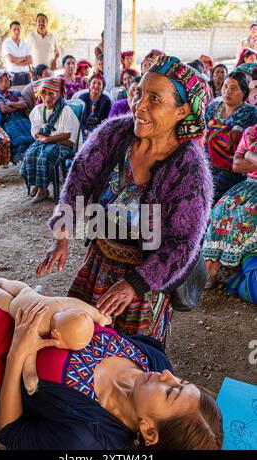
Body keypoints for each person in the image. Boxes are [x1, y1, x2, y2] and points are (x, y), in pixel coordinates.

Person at [37, 56, 213, 344]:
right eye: (139, 92)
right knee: (73, 340)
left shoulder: (189, 170)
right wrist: (63, 233)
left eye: (154, 98)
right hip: (98, 261)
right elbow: (79, 179)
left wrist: (133, 286)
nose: (139, 105)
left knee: (127, 364)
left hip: (142, 285)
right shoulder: (114, 134)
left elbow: (182, 245)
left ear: (182, 111)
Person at [0, 287, 224, 450]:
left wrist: (18, 352)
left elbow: (11, 432)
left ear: (149, 431)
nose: (168, 375)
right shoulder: (154, 362)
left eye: (170, 392)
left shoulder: (83, 439)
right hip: (9, 303)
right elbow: (101, 327)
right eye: (181, 382)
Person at [0, 277, 111, 394]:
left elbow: (83, 307)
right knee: (6, 302)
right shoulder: (38, 326)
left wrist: (99, 317)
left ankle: (2, 282)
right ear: (55, 334)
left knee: (20, 287)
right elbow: (29, 352)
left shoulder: (64, 304)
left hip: (28, 292)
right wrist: (30, 376)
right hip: (16, 306)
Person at [203, 124, 257, 292]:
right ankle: (210, 270)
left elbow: (242, 160)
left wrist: (248, 154)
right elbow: (236, 165)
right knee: (221, 208)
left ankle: (235, 272)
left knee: (247, 214)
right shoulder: (251, 132)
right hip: (249, 185)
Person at [20, 77, 81, 203]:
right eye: (44, 94)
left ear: (57, 94)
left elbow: (67, 135)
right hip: (48, 141)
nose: (47, 97)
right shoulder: (38, 110)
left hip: (66, 143)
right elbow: (35, 131)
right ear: (40, 96)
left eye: (51, 93)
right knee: (30, 154)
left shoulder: (65, 110)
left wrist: (48, 139)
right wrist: (40, 137)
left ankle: (43, 189)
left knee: (45, 155)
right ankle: (37, 184)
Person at [205, 71, 257, 204]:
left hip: (229, 170)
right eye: (225, 86)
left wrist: (215, 134)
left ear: (244, 92)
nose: (227, 91)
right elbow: (202, 135)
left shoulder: (249, 112)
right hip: (207, 164)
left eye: (233, 88)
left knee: (209, 194)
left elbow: (234, 143)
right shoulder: (213, 107)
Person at [0, 70, 34, 163]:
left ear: (10, 82)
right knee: (18, 137)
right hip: (8, 121)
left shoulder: (15, 92)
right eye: (1, 81)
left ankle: (33, 155)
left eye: (6, 81)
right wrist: (17, 106)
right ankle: (23, 158)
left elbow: (24, 105)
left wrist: (9, 103)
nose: (4, 83)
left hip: (22, 118)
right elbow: (3, 109)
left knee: (31, 132)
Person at [79, 72, 111, 142]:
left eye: (99, 84)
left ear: (102, 88)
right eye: (94, 83)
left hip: (99, 131)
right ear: (89, 85)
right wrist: (85, 130)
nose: (96, 85)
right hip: (84, 130)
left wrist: (97, 132)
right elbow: (78, 119)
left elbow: (107, 121)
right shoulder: (82, 98)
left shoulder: (106, 100)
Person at [2, 21, 32, 86]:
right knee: (15, 96)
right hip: (13, 76)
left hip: (26, 76)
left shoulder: (25, 44)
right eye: (14, 29)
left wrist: (17, 62)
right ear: (10, 31)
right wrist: (24, 58)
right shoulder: (6, 44)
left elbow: (30, 60)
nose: (17, 32)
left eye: (18, 29)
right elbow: (11, 59)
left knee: (27, 95)